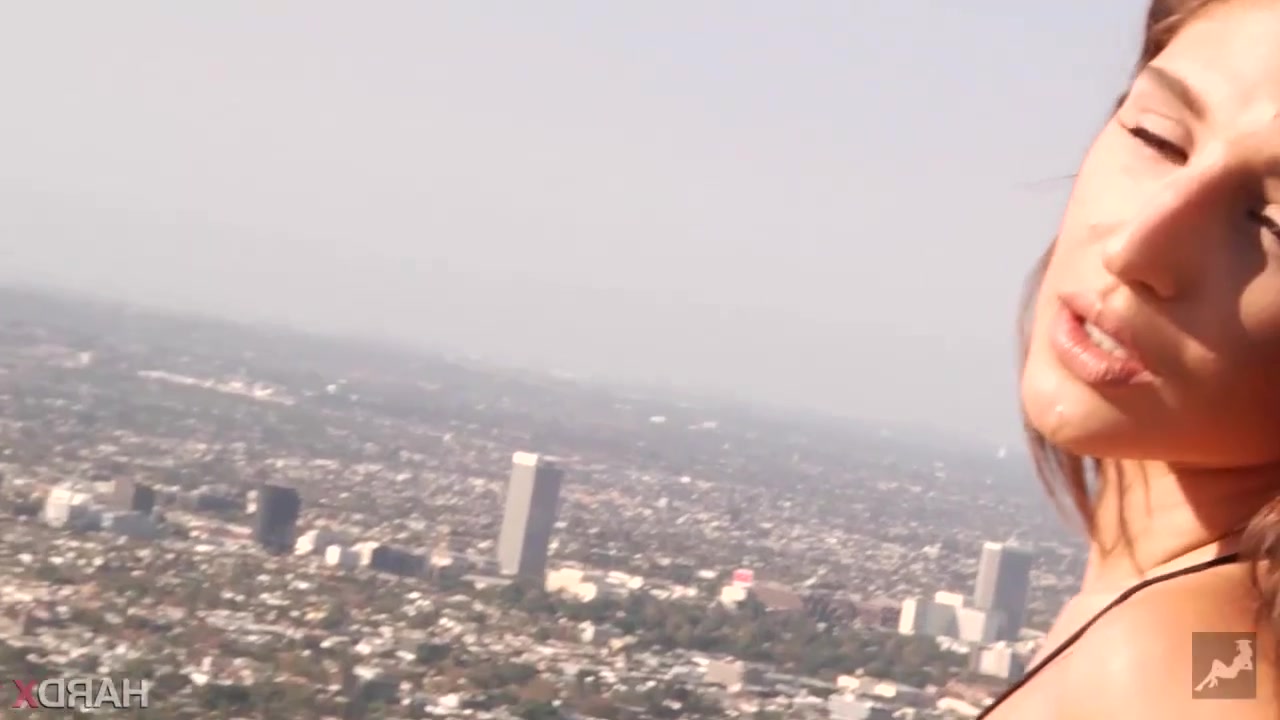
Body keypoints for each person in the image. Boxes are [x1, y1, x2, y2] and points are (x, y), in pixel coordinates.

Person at [984, 0, 1280, 717]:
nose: (1135, 248)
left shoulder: (1170, 665)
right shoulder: (1203, 640)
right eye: (1157, 137)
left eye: (1276, 224)